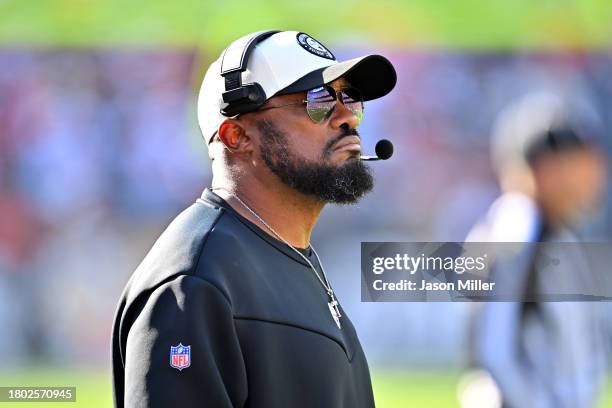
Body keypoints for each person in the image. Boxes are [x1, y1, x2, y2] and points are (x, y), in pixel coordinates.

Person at [111, 30, 397, 407]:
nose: (346, 117)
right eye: (318, 100)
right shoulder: (194, 282)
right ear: (236, 136)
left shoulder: (288, 256)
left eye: (350, 98)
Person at [462, 93, 608, 408]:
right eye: (576, 163)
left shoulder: (556, 232)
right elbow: (495, 353)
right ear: (543, 169)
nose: (592, 177)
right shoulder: (518, 228)